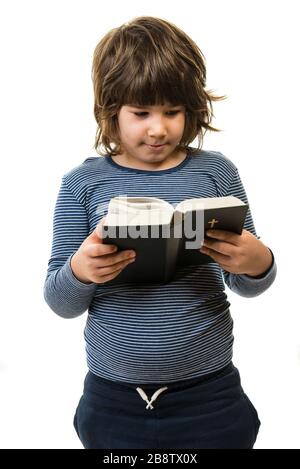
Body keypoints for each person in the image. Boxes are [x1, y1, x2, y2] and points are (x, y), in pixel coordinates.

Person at [43, 16, 277, 449]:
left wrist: (259, 261)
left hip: (212, 396)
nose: (158, 128)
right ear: (110, 110)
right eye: (141, 112)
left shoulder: (217, 172)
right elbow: (59, 301)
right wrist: (80, 269)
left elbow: (247, 283)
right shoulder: (82, 182)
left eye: (173, 112)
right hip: (113, 401)